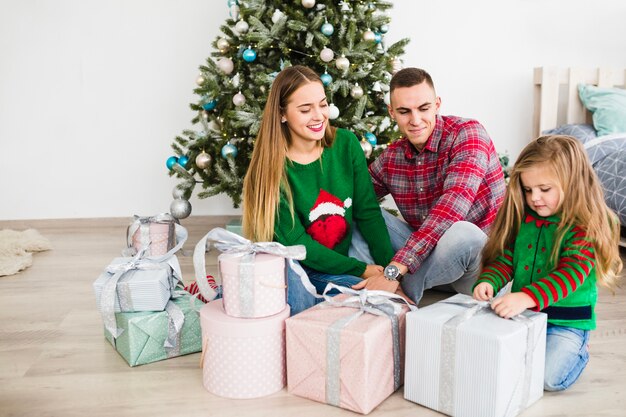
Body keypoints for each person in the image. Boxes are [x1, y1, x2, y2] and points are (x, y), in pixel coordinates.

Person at [241, 65, 396, 315]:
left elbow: (368, 212)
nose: (319, 116)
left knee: (382, 301)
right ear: (282, 114)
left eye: (322, 105)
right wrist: (363, 270)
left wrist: (390, 273)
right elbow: (299, 246)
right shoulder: (270, 171)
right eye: (305, 109)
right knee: (346, 306)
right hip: (294, 269)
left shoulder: (346, 143)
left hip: (338, 266)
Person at [473, 135, 623, 391]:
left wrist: (525, 297)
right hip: (526, 315)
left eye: (545, 189)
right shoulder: (526, 218)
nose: (535, 198)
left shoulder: (584, 226)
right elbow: (509, 257)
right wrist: (489, 279)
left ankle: (580, 349)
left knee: (548, 379)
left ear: (572, 183)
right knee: (490, 360)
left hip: (567, 322)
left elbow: (571, 273)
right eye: (528, 189)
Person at [351, 67, 506, 305]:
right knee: (355, 213)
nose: (415, 120)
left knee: (464, 233)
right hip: (430, 265)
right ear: (392, 112)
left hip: (480, 271)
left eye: (423, 109)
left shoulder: (468, 134)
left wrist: (393, 271)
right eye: (404, 111)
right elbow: (354, 197)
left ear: (437, 104)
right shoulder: (392, 157)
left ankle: (396, 292)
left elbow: (450, 210)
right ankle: (378, 283)